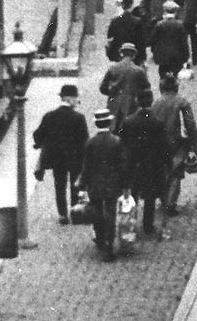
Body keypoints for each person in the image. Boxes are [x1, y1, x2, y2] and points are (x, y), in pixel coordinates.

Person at [32, 84, 90, 225]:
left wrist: (40, 144)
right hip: (75, 158)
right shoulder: (79, 118)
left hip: (57, 159)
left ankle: (62, 215)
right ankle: (75, 213)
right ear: (69, 99)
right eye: (76, 98)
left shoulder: (49, 116)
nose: (77, 102)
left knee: (59, 186)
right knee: (75, 185)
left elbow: (38, 134)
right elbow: (85, 140)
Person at [77, 109, 127, 261]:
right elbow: (122, 165)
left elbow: (86, 167)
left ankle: (99, 239)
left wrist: (82, 186)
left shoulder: (90, 143)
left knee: (97, 212)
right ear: (110, 122)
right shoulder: (116, 141)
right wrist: (125, 185)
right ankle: (109, 246)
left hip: (95, 185)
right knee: (110, 214)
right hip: (112, 184)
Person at [119, 88, 170, 235]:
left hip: (133, 163)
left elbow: (122, 142)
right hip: (152, 164)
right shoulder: (158, 122)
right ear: (151, 101)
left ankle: (132, 222)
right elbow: (164, 145)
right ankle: (148, 225)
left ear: (137, 101)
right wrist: (167, 162)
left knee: (133, 192)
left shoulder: (128, 121)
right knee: (150, 195)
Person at [151, 74, 197, 216]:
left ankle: (164, 200)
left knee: (163, 171)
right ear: (176, 87)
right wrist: (193, 143)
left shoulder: (155, 103)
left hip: (159, 143)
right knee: (176, 172)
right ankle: (170, 204)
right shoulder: (182, 102)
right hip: (177, 142)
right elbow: (190, 124)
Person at [99, 43, 151, 132]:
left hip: (114, 102)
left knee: (113, 128)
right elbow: (146, 88)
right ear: (134, 55)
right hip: (132, 103)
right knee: (129, 129)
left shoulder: (113, 68)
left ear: (121, 54)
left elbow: (102, 88)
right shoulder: (139, 71)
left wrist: (112, 92)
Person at [149, 1, 189, 79]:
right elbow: (184, 42)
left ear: (165, 11)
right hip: (177, 56)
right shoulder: (180, 25)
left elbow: (152, 40)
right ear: (175, 12)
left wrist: (154, 52)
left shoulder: (159, 24)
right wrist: (186, 57)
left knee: (163, 76)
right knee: (175, 77)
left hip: (163, 56)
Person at [106, 0, 144, 64]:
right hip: (134, 54)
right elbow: (141, 41)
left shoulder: (115, 21)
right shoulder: (138, 21)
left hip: (119, 54)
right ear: (131, 6)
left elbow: (110, 38)